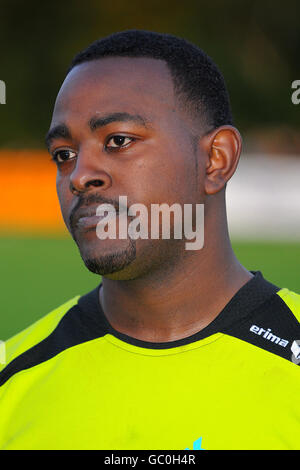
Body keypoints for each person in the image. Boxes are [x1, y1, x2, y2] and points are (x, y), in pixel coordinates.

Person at [0, 30, 299, 450]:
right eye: (64, 154)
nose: (80, 175)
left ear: (217, 159)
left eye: (118, 141)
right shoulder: (12, 381)